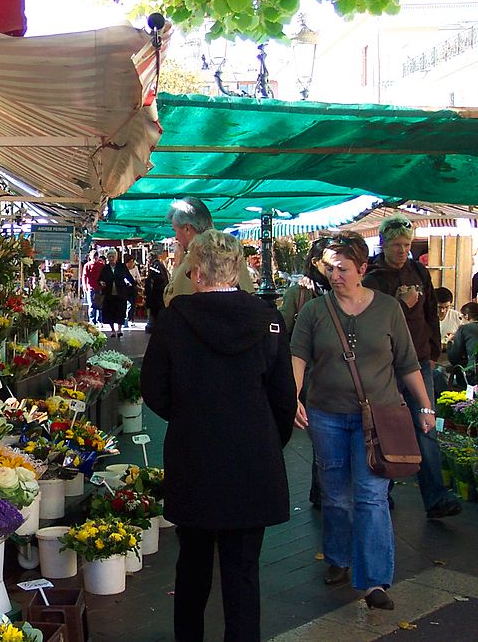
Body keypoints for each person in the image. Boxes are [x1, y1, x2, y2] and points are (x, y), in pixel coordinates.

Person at [142, 229, 296, 642]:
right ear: (238, 269)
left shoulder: (175, 320)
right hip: (253, 459)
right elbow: (284, 398)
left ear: (195, 272)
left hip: (194, 457)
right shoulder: (269, 320)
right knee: (243, 571)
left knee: (192, 563)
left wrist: (191, 418)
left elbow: (153, 389)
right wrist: (265, 439)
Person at [291, 231, 435, 611]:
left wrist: (425, 406)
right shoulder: (313, 311)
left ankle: (374, 581)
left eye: (342, 269)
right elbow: (298, 356)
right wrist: (293, 395)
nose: (334, 276)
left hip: (380, 418)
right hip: (327, 415)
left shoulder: (388, 308)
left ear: (362, 268)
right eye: (329, 269)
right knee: (336, 495)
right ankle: (338, 557)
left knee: (372, 497)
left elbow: (407, 362)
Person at [362, 216, 461, 520]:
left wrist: (432, 350)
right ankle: (383, 490)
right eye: (397, 246)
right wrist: (399, 302)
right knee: (387, 427)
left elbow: (431, 311)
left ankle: (435, 498)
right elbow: (371, 322)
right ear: (384, 244)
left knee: (425, 425)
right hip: (386, 364)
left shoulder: (418, 270)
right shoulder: (373, 279)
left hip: (418, 361)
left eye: (406, 245)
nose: (403, 250)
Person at [279, 236, 332, 508]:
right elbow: (284, 335)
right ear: (315, 263)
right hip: (310, 373)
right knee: (320, 432)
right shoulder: (298, 293)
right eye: (329, 263)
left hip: (338, 375)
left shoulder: (346, 292)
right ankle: (321, 491)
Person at [164, 196, 255, 306]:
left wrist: (177, 265)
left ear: (187, 228)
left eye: (175, 231)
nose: (176, 237)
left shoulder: (192, 261)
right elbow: (249, 294)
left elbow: (171, 302)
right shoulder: (232, 253)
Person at [97, 249, 133, 338]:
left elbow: (128, 277)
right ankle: (112, 330)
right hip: (109, 294)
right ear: (107, 258)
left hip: (120, 293)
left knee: (120, 311)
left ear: (116, 257)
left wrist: (133, 284)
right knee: (110, 312)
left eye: (113, 256)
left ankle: (119, 329)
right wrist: (101, 282)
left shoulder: (121, 266)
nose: (111, 258)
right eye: (109, 257)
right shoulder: (105, 268)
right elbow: (99, 279)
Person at [447, 301, 478, 380]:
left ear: (466, 316)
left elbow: (454, 358)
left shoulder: (464, 328)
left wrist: (449, 342)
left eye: (461, 318)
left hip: (474, 374)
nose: (460, 322)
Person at [144, 248, 170, 333]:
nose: (147, 261)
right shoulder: (160, 265)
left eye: (148, 259)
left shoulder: (154, 266)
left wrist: (148, 293)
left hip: (156, 294)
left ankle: (153, 326)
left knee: (155, 312)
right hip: (161, 293)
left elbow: (152, 280)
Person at [82, 250, 105, 325]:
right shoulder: (87, 265)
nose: (95, 259)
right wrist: (85, 286)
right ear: (90, 257)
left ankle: (99, 320)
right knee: (91, 305)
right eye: (93, 258)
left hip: (99, 287)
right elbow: (84, 276)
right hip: (90, 287)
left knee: (99, 304)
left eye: (96, 258)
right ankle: (92, 321)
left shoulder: (101, 265)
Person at [124, 253, 142, 325]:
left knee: (133, 304)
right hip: (126, 288)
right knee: (128, 303)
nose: (132, 263)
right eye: (130, 262)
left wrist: (138, 281)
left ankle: (131, 319)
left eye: (132, 262)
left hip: (134, 288)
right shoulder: (123, 269)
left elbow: (138, 277)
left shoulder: (135, 268)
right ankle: (126, 318)